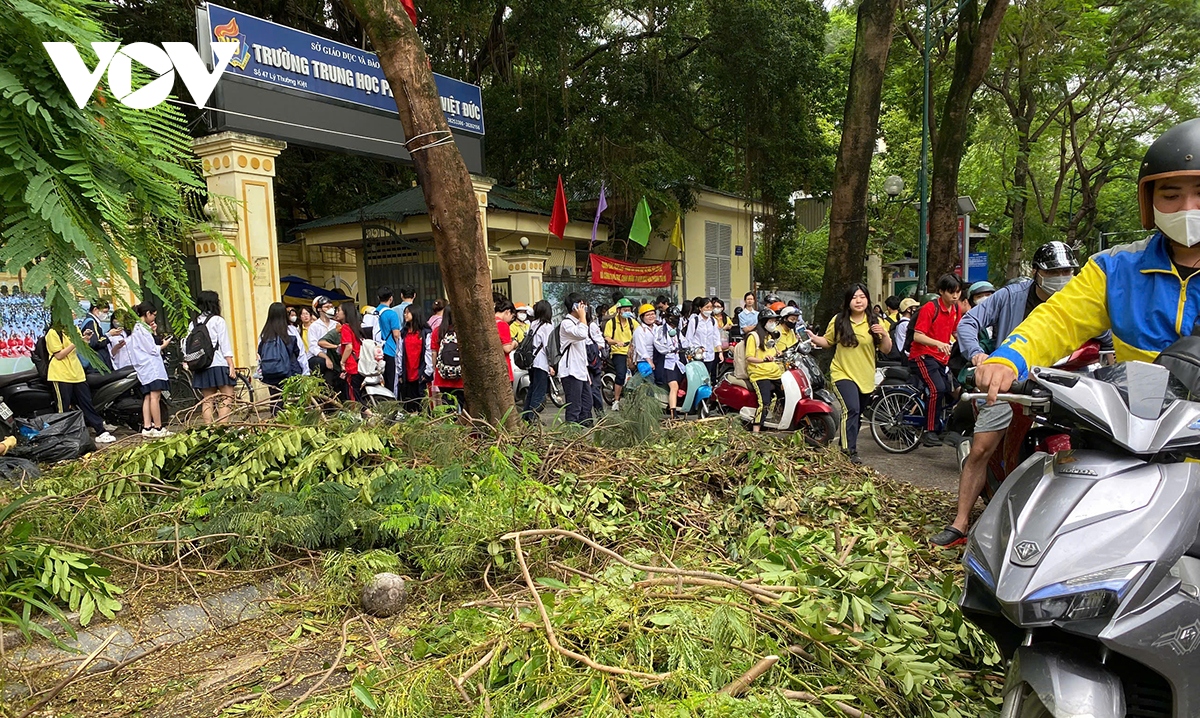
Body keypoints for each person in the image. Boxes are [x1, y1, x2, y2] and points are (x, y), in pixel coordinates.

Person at [932, 242, 1096, 547]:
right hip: (1011, 387)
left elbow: (1109, 340)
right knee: (982, 448)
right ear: (1037, 273)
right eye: (1054, 271)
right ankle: (960, 522)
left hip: (1068, 386)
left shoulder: (1082, 299)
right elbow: (969, 322)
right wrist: (980, 356)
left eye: (1067, 271)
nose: (1062, 277)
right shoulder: (1010, 295)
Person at [808, 284, 893, 462]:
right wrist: (815, 339)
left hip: (865, 376)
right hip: (842, 373)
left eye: (862, 296)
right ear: (848, 301)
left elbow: (886, 349)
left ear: (868, 299)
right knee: (851, 409)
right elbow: (828, 341)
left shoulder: (875, 321)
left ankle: (846, 444)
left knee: (858, 413)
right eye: (854, 297)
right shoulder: (839, 320)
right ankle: (848, 451)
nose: (859, 300)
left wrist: (884, 334)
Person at [908, 274, 963, 447]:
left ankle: (946, 425)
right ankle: (929, 431)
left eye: (958, 292)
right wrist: (938, 343)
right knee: (937, 388)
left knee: (956, 389)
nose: (955, 296)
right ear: (941, 291)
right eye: (951, 292)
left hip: (942, 358)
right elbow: (918, 336)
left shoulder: (955, 309)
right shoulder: (930, 308)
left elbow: (956, 332)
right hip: (922, 356)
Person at [44, 321, 116, 444]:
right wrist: (76, 342)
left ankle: (100, 430)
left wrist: (85, 340)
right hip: (61, 374)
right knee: (63, 408)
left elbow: (81, 349)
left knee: (86, 403)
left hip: (77, 373)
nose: (72, 314)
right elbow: (59, 355)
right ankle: (64, 438)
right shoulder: (53, 332)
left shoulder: (74, 329)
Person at [188, 290, 236, 423]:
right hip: (218, 363)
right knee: (227, 396)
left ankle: (208, 430)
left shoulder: (193, 323)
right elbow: (224, 344)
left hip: (202, 364)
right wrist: (231, 364)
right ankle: (222, 427)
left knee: (207, 400)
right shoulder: (218, 320)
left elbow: (186, 345)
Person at [125, 302, 172, 438]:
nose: (154, 319)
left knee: (147, 397)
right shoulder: (141, 329)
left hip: (144, 368)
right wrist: (164, 344)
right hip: (151, 367)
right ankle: (158, 427)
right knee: (155, 397)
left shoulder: (139, 328)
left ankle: (147, 426)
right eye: (153, 315)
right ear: (147, 314)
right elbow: (152, 349)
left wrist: (154, 332)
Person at [257, 302, 302, 414]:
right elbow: (299, 352)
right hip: (288, 371)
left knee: (275, 398)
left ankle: (275, 421)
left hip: (270, 371)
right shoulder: (291, 331)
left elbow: (259, 353)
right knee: (294, 399)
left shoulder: (264, 333)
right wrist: (305, 371)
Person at [744, 308, 783, 432]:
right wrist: (763, 360)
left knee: (785, 394)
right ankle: (756, 430)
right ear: (763, 322)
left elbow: (775, 353)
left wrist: (779, 354)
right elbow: (749, 357)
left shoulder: (770, 336)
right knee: (764, 402)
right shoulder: (753, 337)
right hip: (759, 374)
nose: (773, 323)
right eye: (771, 321)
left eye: (774, 321)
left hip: (775, 373)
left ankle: (778, 420)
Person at [558, 293, 592, 425]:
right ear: (575, 307)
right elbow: (582, 334)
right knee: (574, 407)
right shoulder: (566, 324)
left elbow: (582, 352)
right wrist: (583, 317)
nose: (585, 308)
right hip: (570, 371)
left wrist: (586, 372)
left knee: (586, 405)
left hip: (581, 371)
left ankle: (581, 436)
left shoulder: (579, 323)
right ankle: (571, 435)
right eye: (582, 305)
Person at [522, 300, 555, 422]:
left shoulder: (534, 323)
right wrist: (551, 364)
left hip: (532, 361)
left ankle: (526, 415)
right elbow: (548, 346)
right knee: (539, 392)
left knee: (532, 389)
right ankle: (532, 418)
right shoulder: (547, 327)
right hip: (541, 362)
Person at [397, 304, 431, 413]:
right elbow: (399, 354)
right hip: (407, 374)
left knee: (423, 406)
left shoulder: (425, 333)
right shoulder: (403, 333)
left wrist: (427, 372)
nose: (405, 315)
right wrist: (400, 373)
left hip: (421, 374)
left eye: (408, 312)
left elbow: (429, 352)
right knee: (409, 406)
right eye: (405, 312)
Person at [429, 307, 464, 408]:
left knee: (447, 405)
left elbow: (434, 353)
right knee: (462, 405)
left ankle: (450, 422)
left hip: (443, 376)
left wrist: (436, 368)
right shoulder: (463, 331)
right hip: (461, 376)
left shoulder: (438, 331)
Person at [604, 298, 635, 411]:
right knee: (621, 374)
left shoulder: (632, 322)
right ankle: (616, 400)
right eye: (625, 309)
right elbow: (607, 338)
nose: (627, 312)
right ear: (618, 310)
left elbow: (641, 331)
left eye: (629, 309)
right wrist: (616, 342)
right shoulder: (611, 323)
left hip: (632, 352)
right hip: (618, 352)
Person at [655, 306, 685, 418]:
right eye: (673, 317)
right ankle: (673, 412)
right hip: (667, 363)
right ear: (667, 318)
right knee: (674, 386)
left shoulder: (677, 331)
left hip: (678, 362)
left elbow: (685, 342)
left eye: (677, 317)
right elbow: (658, 344)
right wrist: (668, 349)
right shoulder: (660, 330)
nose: (675, 320)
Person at [683, 296, 722, 381]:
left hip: (709, 355)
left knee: (706, 377)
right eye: (706, 307)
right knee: (698, 378)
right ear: (700, 308)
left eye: (711, 307)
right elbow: (688, 339)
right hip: (697, 356)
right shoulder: (694, 321)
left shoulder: (713, 321)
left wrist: (720, 352)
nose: (709, 309)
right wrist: (696, 349)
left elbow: (716, 337)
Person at [80, 299, 122, 371]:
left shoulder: (91, 321)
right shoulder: (91, 322)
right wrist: (109, 335)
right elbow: (94, 343)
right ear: (95, 309)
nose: (105, 315)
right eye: (104, 312)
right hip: (96, 364)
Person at [336, 303, 364, 403]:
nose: (337, 313)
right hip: (359, 363)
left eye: (339, 310)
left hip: (352, 365)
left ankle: (368, 414)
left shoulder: (345, 328)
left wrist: (342, 361)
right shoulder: (356, 326)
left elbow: (349, 347)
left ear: (346, 312)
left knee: (353, 395)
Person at [376, 288, 401, 394]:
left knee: (379, 380)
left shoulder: (373, 312)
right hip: (390, 350)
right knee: (391, 381)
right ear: (391, 299)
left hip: (376, 351)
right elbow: (396, 334)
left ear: (378, 298)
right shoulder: (392, 314)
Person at [631, 303, 658, 381]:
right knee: (648, 385)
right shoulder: (639, 330)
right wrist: (650, 362)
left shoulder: (657, 328)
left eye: (653, 314)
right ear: (642, 317)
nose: (651, 316)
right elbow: (641, 348)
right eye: (648, 315)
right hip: (644, 363)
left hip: (656, 360)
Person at [495, 297, 517, 383]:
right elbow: (507, 348)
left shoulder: (490, 323)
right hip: (503, 367)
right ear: (507, 312)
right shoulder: (502, 324)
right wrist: (514, 343)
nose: (511, 319)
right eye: (512, 316)